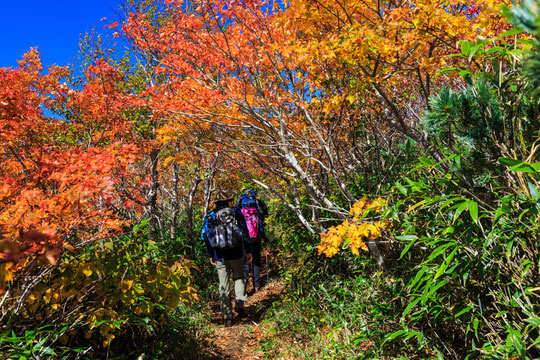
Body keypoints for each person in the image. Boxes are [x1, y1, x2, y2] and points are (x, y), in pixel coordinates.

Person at [201, 190, 253, 327]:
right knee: (239, 278)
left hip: (220, 256)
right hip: (237, 253)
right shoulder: (236, 212)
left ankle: (227, 317)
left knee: (223, 285)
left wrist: (211, 254)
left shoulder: (210, 216)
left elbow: (205, 237)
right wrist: (248, 250)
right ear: (228, 201)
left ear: (216, 202)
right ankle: (240, 303)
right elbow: (245, 231)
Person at [236, 189, 269, 292]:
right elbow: (266, 213)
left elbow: (236, 213)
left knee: (245, 261)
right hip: (257, 235)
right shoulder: (258, 200)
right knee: (256, 260)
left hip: (245, 236)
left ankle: (244, 286)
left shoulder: (241, 199)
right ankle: (257, 285)